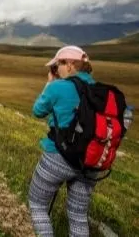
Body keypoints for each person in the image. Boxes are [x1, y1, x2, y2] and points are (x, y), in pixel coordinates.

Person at [27, 45, 122, 236]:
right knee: (78, 215)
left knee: (37, 204)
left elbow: (37, 111)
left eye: (57, 65)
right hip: (89, 163)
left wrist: (49, 84)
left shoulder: (58, 87)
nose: (56, 71)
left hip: (57, 157)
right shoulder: (99, 92)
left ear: (70, 65)